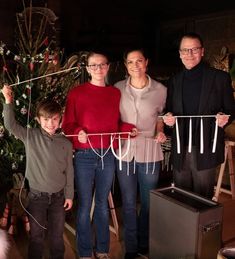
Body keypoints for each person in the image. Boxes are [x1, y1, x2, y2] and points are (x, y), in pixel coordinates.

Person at [62, 51, 136, 259]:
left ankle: (102, 249)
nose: (98, 69)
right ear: (87, 69)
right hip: (85, 156)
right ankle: (85, 252)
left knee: (102, 203)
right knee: (85, 204)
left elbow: (117, 125)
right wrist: (78, 133)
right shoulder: (76, 93)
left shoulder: (114, 93)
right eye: (93, 65)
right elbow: (68, 125)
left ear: (108, 67)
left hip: (108, 154)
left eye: (102, 65)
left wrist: (129, 129)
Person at [1, 85, 74, 259]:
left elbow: (69, 171)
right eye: (46, 119)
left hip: (58, 198)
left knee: (57, 237)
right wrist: (8, 100)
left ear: (60, 120)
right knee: (36, 237)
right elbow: (10, 125)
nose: (51, 123)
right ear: (38, 120)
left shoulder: (66, 144)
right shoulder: (30, 136)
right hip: (37, 197)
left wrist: (69, 195)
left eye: (55, 119)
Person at [163, 32, 235, 199]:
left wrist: (225, 118)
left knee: (202, 197)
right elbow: (169, 111)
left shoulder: (219, 78)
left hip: (207, 145)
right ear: (180, 53)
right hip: (181, 145)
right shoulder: (174, 80)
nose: (190, 54)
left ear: (202, 51)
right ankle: (183, 226)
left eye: (194, 49)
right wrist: (169, 119)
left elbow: (231, 110)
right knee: (181, 194)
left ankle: (199, 226)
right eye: (185, 50)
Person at [114, 48, 167, 259]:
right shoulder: (117, 88)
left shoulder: (161, 89)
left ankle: (145, 242)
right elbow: (112, 118)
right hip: (124, 151)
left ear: (146, 62)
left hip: (150, 152)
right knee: (127, 202)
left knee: (148, 202)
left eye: (139, 61)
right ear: (126, 65)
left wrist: (161, 131)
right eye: (130, 62)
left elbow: (162, 116)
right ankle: (131, 247)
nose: (135, 65)